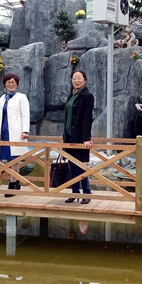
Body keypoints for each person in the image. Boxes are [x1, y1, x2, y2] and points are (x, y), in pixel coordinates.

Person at [0, 73, 30, 197]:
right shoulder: (2, 98)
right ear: (4, 84)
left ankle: (12, 183)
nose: (10, 84)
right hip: (3, 131)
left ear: (17, 84)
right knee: (7, 158)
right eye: (8, 82)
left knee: (14, 158)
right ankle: (16, 181)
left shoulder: (21, 97)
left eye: (13, 82)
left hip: (15, 132)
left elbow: (25, 115)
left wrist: (25, 130)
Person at [63, 69, 94, 204]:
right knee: (72, 165)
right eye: (74, 78)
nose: (76, 80)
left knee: (81, 165)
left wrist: (86, 138)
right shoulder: (71, 95)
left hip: (80, 136)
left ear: (85, 80)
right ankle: (75, 192)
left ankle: (87, 193)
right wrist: (64, 136)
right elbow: (67, 118)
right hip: (69, 135)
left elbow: (87, 118)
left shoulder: (87, 96)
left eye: (79, 78)